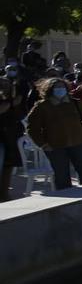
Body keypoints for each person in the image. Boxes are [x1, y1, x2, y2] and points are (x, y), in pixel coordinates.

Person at [25, 78, 82, 190]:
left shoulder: (75, 103)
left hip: (78, 143)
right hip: (55, 146)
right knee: (62, 177)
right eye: (56, 87)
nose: (60, 89)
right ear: (50, 89)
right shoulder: (42, 106)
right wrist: (42, 144)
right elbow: (32, 128)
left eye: (62, 87)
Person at [0, 72, 26, 200]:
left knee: (7, 166)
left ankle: (4, 194)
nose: (5, 87)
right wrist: (11, 103)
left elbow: (19, 116)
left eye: (7, 84)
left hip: (10, 137)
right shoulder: (9, 102)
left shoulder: (15, 100)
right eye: (2, 84)